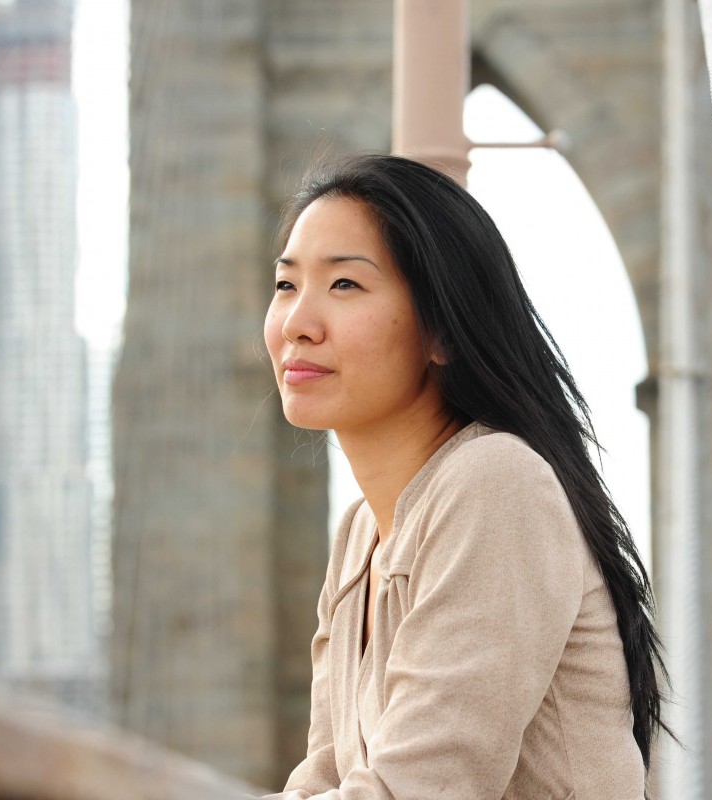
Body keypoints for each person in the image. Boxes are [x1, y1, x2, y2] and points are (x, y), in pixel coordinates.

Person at [260, 154, 668, 799]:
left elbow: (423, 786)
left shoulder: (496, 484)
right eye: (286, 285)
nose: (297, 325)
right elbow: (322, 779)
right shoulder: (360, 533)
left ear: (442, 330)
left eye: (344, 286)